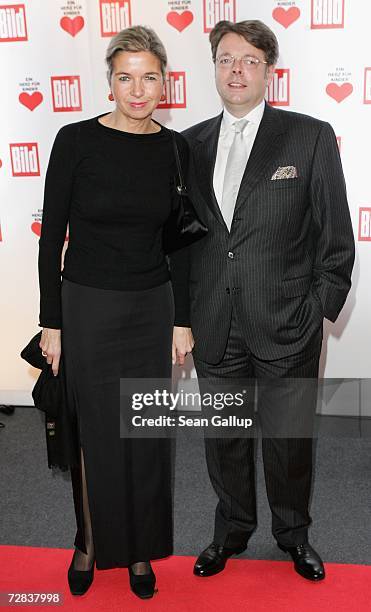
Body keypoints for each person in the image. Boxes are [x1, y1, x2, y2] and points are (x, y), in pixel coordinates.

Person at [177, 20, 355, 582]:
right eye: (226, 58)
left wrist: (317, 311)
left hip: (288, 326)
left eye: (250, 60)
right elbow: (180, 243)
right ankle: (230, 531)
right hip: (215, 325)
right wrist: (183, 316)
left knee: (288, 444)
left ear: (269, 71)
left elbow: (336, 238)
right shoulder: (188, 145)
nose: (237, 69)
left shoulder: (309, 136)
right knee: (223, 443)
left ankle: (293, 535)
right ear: (214, 67)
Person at [38, 25, 193, 599]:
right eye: (125, 77)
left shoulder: (177, 150)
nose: (138, 89)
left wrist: (183, 319)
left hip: (152, 305)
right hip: (87, 305)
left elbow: (181, 242)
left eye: (149, 76)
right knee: (92, 433)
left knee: (145, 433)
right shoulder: (74, 141)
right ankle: (90, 542)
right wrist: (51, 322)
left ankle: (139, 552)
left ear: (165, 82)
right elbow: (51, 236)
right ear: (109, 82)